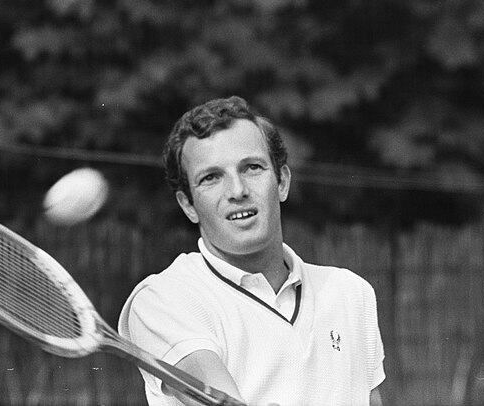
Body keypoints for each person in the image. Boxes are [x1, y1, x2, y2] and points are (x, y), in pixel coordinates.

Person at [118, 96, 385, 406]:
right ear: (188, 205)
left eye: (252, 168)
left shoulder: (351, 293)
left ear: (282, 181)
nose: (237, 191)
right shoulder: (163, 299)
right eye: (211, 178)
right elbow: (216, 396)